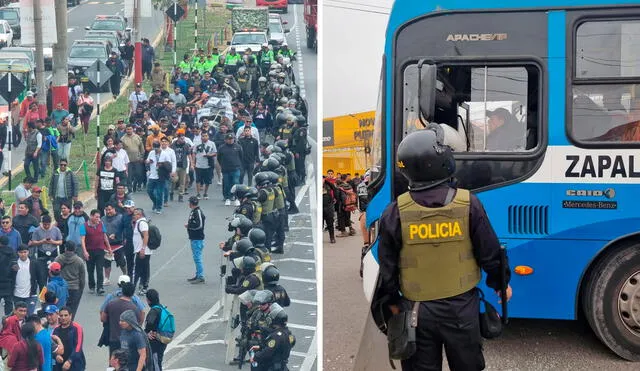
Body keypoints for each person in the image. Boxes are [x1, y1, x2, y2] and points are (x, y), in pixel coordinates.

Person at [374, 128, 513, 370]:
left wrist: (391, 302)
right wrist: (500, 284)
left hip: (416, 312)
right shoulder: (469, 203)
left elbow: (388, 267)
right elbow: (489, 253)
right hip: (461, 308)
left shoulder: (395, 212)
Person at [101, 282, 143, 356]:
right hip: (128, 340)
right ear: (133, 294)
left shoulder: (111, 304)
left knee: (114, 362)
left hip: (114, 339)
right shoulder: (134, 308)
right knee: (127, 362)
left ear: (122, 291)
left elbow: (103, 319)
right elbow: (139, 323)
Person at [80, 209, 112, 295]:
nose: (98, 219)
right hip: (89, 250)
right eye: (96, 217)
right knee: (90, 270)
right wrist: (85, 252)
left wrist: (109, 248)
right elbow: (82, 240)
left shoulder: (101, 224)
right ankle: (92, 286)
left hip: (100, 250)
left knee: (99, 269)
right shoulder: (84, 226)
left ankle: (100, 287)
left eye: (99, 217)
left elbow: (105, 236)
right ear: (91, 216)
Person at [30, 214, 63, 291]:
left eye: (48, 225)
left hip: (53, 255)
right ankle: (43, 297)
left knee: (53, 277)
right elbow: (33, 242)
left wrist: (53, 241)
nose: (46, 226)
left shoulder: (56, 230)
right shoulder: (37, 230)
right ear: (42, 223)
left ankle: (53, 295)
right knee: (42, 278)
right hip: (41, 255)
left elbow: (60, 241)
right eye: (45, 225)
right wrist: (42, 241)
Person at [54, 241, 85, 317]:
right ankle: (70, 323)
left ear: (65, 248)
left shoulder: (58, 259)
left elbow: (53, 272)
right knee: (72, 310)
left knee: (60, 309)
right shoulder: (79, 261)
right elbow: (82, 277)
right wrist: (81, 288)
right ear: (74, 249)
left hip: (61, 287)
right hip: (75, 287)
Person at [52, 306, 86, 371]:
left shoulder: (77, 328)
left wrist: (69, 361)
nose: (63, 318)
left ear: (70, 316)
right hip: (60, 365)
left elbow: (78, 347)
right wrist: (56, 356)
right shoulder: (56, 330)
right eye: (61, 315)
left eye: (66, 315)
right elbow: (53, 347)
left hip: (75, 364)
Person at [144, 289, 168, 370]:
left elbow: (148, 325)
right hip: (162, 338)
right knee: (157, 362)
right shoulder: (161, 307)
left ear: (148, 300)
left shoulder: (154, 311)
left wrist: (146, 332)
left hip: (155, 341)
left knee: (155, 364)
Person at [218, 133, 243, 206]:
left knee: (235, 183)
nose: (230, 140)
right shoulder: (221, 147)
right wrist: (222, 165)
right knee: (227, 184)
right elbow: (219, 158)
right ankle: (228, 198)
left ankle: (236, 198)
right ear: (225, 140)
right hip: (225, 169)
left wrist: (238, 164)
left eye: (232, 139)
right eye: (229, 139)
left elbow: (241, 156)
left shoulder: (238, 147)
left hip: (235, 168)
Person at [186, 196, 206, 284]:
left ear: (191, 203)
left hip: (197, 238)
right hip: (194, 238)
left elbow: (199, 225)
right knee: (196, 257)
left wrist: (189, 226)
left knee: (197, 258)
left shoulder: (197, 212)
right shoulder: (194, 211)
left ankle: (201, 276)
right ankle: (198, 275)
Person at [132, 209, 152, 295]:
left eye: (135, 214)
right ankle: (142, 286)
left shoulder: (142, 223)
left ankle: (143, 287)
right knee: (141, 269)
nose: (134, 216)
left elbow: (146, 235)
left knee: (141, 269)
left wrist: (143, 249)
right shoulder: (138, 223)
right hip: (140, 250)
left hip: (143, 251)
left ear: (140, 215)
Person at [13, 245, 38, 315]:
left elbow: (40, 278)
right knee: (17, 317)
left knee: (29, 316)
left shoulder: (34, 263)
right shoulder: (14, 263)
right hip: (17, 295)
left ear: (28, 252)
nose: (23, 254)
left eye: (25, 252)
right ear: (17, 253)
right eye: (21, 252)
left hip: (31, 295)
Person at [192, 132, 216, 200]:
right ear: (201, 137)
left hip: (208, 165)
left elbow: (215, 153)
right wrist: (193, 162)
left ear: (208, 136)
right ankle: (198, 193)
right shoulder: (197, 143)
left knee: (207, 181)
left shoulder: (212, 143)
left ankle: (205, 193)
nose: (204, 137)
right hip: (199, 165)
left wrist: (209, 155)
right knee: (198, 180)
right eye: (203, 136)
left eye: (206, 136)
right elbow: (194, 152)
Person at [0, 236, 17, 316]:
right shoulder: (12, 252)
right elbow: (15, 268)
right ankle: (8, 325)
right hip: (8, 283)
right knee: (9, 307)